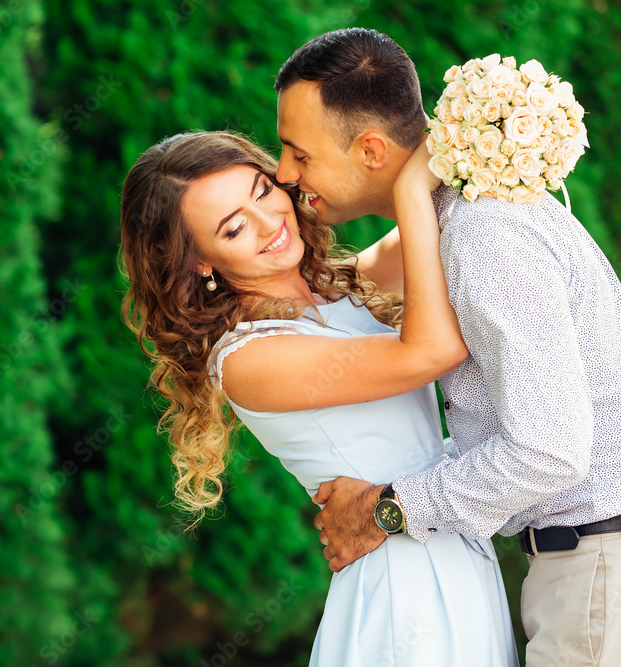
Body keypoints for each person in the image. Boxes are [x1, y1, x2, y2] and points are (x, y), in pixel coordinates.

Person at [276, 28, 621, 667]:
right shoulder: (455, 216)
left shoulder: (482, 235)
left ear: (372, 149)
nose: (284, 173)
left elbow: (549, 449)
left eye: (299, 153)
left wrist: (389, 508)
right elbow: (346, 289)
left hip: (599, 569)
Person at [119, 130, 518, 666]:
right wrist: (408, 190)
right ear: (199, 262)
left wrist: (489, 115)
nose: (269, 223)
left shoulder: (342, 291)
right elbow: (431, 352)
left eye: (262, 192)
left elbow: (439, 212)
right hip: (401, 587)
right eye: (234, 228)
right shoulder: (247, 360)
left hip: (450, 549)